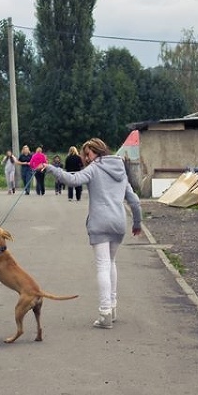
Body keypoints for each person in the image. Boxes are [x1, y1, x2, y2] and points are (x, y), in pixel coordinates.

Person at [39, 138, 142, 329]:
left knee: (103, 265)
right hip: (119, 223)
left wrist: (51, 168)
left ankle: (105, 314)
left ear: (98, 151)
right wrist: (137, 223)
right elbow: (134, 201)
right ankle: (112, 306)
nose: (86, 158)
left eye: (88, 153)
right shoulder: (120, 169)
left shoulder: (95, 167)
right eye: (85, 154)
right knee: (111, 263)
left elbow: (73, 180)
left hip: (100, 222)